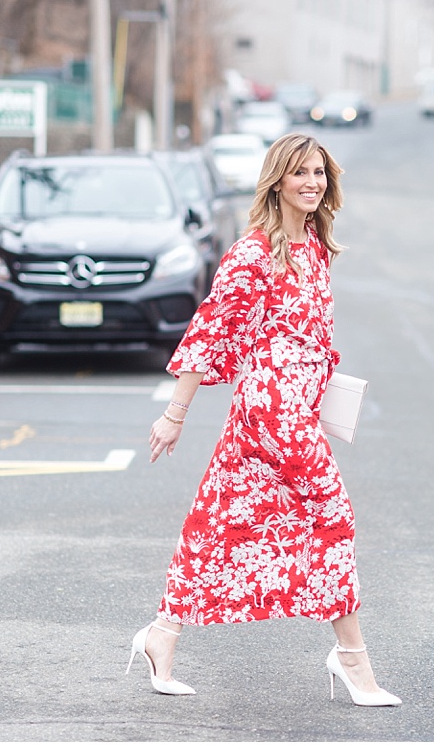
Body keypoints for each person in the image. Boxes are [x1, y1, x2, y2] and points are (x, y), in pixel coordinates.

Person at [129, 133, 401, 707]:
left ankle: (162, 634)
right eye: (300, 173)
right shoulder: (253, 253)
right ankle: (352, 659)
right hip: (269, 411)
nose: (312, 183)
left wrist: (322, 387)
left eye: (320, 174)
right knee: (333, 516)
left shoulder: (316, 249)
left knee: (220, 520)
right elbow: (211, 328)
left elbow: (315, 336)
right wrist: (175, 414)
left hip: (296, 406)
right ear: (276, 179)